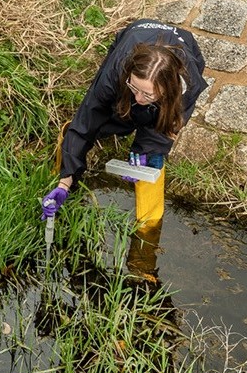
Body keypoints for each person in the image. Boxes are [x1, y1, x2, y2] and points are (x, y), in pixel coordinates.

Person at [41, 19, 207, 228]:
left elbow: (165, 129)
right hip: (134, 36)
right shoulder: (117, 70)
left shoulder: (186, 87)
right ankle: (66, 178)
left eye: (147, 93)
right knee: (108, 116)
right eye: (134, 88)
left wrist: (147, 152)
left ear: (168, 90)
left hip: (186, 50)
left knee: (152, 148)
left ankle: (148, 226)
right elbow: (88, 119)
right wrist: (65, 182)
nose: (138, 97)